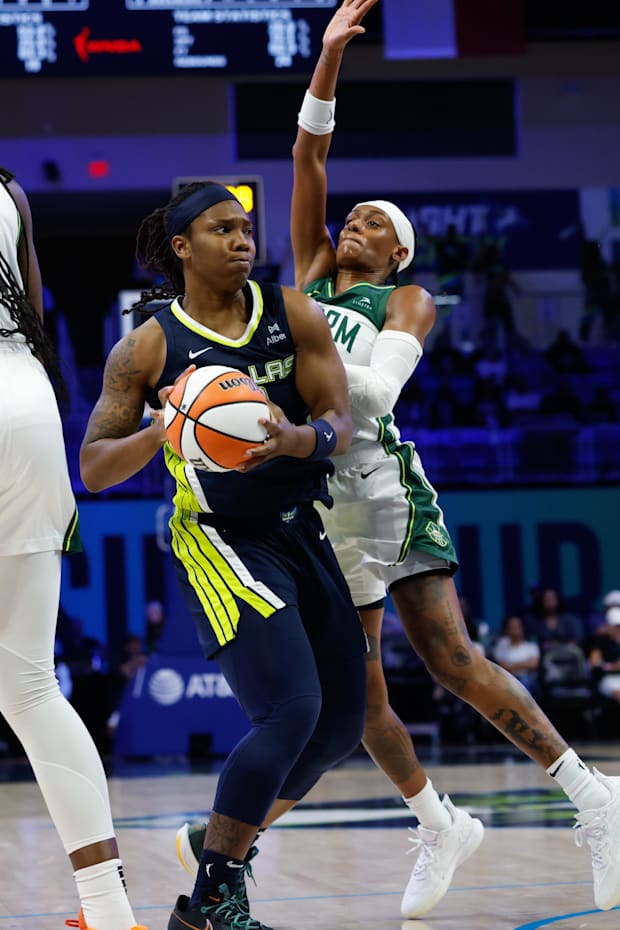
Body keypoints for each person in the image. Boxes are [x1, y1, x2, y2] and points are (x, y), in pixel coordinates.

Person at [177, 0, 620, 920]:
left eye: (376, 222)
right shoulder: (306, 280)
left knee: (452, 660)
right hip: (317, 501)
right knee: (361, 698)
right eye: (355, 217)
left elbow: (376, 396)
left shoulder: (406, 300)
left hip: (381, 489)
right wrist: (327, 60)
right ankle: (437, 823)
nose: (357, 223)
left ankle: (592, 797)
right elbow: (309, 157)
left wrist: (274, 389)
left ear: (399, 251)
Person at [79, 179, 368, 930]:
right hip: (218, 537)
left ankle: (218, 851)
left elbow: (338, 420)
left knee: (342, 724)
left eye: (245, 228)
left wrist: (299, 439)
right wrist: (164, 427)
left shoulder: (290, 312)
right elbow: (95, 467)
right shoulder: (147, 345)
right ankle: (212, 899)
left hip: (299, 525)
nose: (243, 240)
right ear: (183, 247)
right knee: (291, 710)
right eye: (222, 229)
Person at [0, 166, 145, 930]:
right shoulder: (10, 189)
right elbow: (32, 305)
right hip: (25, 403)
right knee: (28, 688)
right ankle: (108, 907)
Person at [492, 615, 541, 697]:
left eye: (518, 626)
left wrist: (512, 665)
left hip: (527, 679)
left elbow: (533, 664)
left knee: (525, 682)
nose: (515, 629)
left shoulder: (531, 645)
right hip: (507, 679)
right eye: (512, 627)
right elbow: (501, 666)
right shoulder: (501, 644)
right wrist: (524, 664)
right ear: (506, 629)